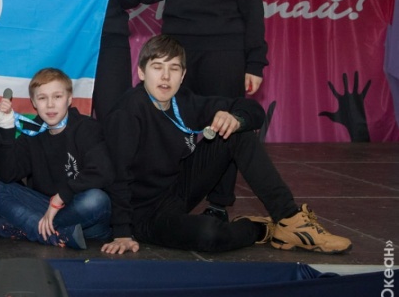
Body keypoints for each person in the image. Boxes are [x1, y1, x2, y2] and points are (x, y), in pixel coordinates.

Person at [100, 35, 352, 255]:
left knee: (236, 131)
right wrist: (122, 232)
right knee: (209, 234)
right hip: (144, 214)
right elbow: (117, 175)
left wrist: (236, 118)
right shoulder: (128, 111)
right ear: (141, 72)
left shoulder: (183, 100)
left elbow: (253, 110)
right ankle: (262, 229)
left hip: (177, 190)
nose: (165, 76)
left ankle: (290, 219)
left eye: (174, 68)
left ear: (183, 75)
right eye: (157, 67)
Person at [134, 0, 268, 220]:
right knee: (172, 124)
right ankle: (171, 195)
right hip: (177, 54)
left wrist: (254, 62)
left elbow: (253, 12)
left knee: (223, 126)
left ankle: (218, 203)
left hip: (225, 53)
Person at [0, 68, 114, 250]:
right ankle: (56, 234)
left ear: (69, 99)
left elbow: (102, 172)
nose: (50, 105)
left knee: (96, 199)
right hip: (44, 208)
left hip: (82, 214)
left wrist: (60, 197)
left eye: (57, 97)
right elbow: (8, 175)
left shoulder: (86, 128)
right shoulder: (33, 131)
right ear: (34, 102)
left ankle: (32, 228)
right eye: (42, 98)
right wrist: (6, 128)